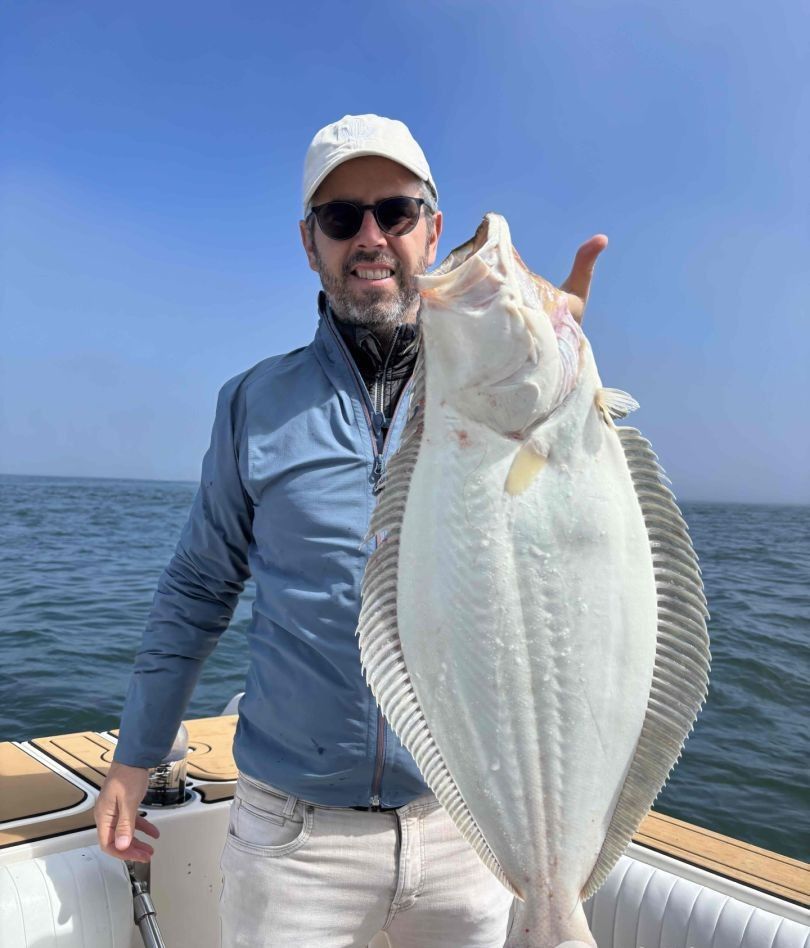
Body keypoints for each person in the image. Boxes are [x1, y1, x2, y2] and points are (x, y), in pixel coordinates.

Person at [94, 113, 607, 947]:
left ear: (432, 231)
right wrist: (135, 753)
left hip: (467, 825)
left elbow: (576, 568)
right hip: (295, 842)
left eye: (395, 213)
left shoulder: (499, 383)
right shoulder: (253, 404)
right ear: (310, 243)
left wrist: (557, 370)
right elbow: (197, 590)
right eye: (341, 218)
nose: (370, 237)